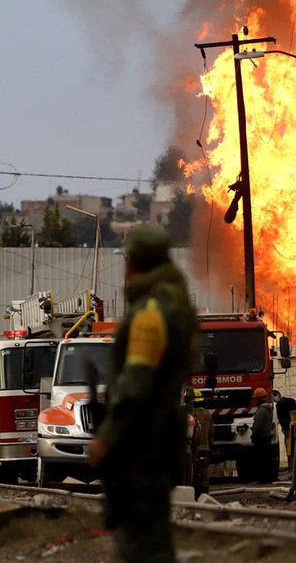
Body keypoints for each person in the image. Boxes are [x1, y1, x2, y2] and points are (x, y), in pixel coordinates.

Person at [88, 223, 197, 563]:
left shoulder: (150, 312)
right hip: (160, 434)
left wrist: (107, 435)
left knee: (142, 541)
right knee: (152, 533)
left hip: (141, 440)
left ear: (133, 263)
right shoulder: (175, 304)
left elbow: (136, 381)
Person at [249, 387, 275, 482]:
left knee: (261, 460)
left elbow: (258, 425)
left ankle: (263, 479)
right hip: (267, 437)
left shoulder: (261, 411)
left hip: (261, 438)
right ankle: (268, 478)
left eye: (256, 399)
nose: (255, 401)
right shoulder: (269, 410)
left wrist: (253, 435)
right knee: (267, 459)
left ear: (259, 399)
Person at [273, 390, 296, 468]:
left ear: (279, 394)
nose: (275, 399)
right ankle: (291, 467)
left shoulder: (290, 401)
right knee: (289, 449)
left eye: (275, 396)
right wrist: (284, 429)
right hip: (286, 430)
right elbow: (280, 419)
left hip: (295, 428)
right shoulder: (277, 407)